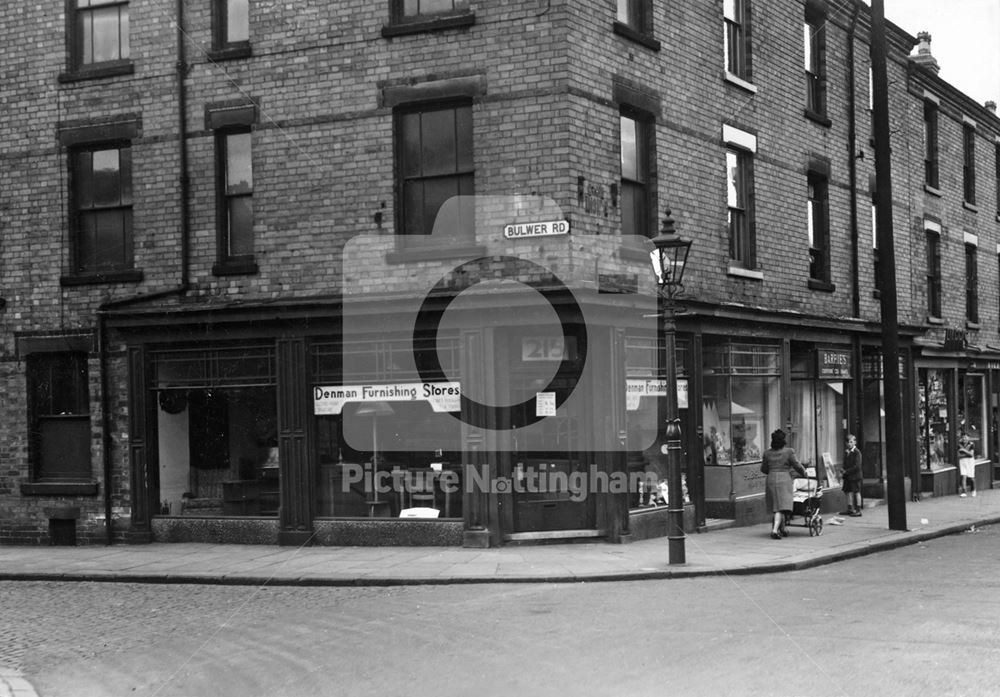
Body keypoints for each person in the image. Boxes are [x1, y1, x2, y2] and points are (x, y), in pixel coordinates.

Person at [760, 429, 806, 539]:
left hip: (771, 479)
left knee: (777, 505)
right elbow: (797, 465)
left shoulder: (767, 453)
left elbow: (763, 469)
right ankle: (775, 530)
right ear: (783, 440)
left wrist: (772, 471)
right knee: (781, 507)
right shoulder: (789, 452)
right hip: (784, 479)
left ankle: (783, 528)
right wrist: (804, 472)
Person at [841, 434, 863, 516]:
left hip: (855, 476)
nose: (849, 444)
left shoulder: (857, 452)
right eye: (848, 442)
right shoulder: (847, 452)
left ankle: (858, 509)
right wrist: (843, 470)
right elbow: (845, 463)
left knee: (856, 492)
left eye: (851, 442)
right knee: (848, 492)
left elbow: (857, 466)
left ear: (855, 442)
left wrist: (846, 471)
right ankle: (850, 508)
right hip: (848, 476)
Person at [958, 431, 976, 497]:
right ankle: (964, 492)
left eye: (965, 437)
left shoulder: (971, 444)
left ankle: (973, 490)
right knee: (963, 476)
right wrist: (966, 454)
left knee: (971, 477)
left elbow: (971, 455)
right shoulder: (959, 444)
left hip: (970, 462)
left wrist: (964, 450)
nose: (964, 438)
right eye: (963, 437)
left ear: (968, 437)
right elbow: (958, 455)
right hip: (962, 461)